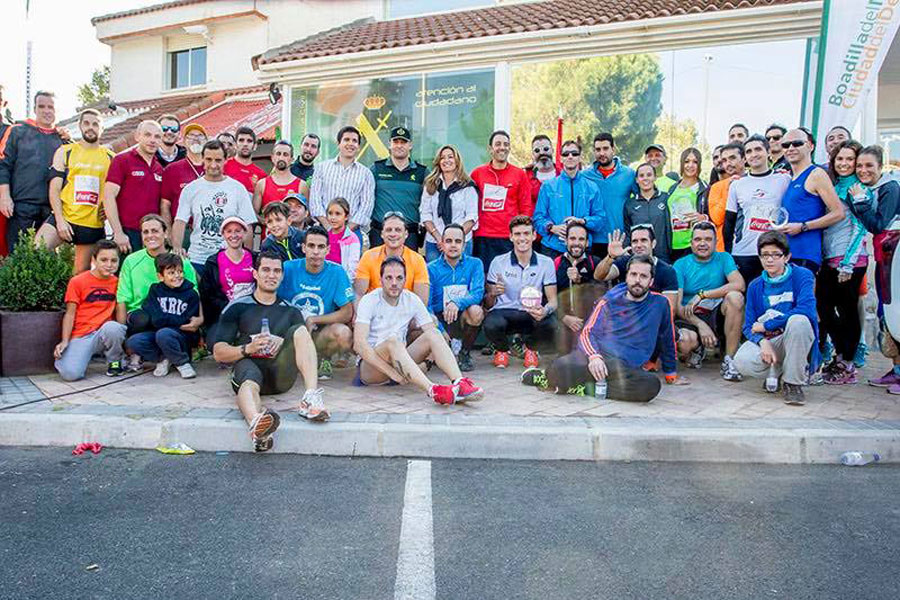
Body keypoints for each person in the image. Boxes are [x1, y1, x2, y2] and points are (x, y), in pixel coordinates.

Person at [213, 251, 329, 452]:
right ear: (255, 273)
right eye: (266, 270)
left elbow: (302, 345)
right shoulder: (238, 306)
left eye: (277, 271)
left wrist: (282, 340)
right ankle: (257, 425)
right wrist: (247, 348)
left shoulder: (291, 311)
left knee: (300, 331)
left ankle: (310, 398)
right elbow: (218, 352)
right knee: (248, 381)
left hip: (280, 374)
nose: (271, 275)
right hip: (249, 367)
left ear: (282, 275)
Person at [532, 255, 684, 401]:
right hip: (597, 359)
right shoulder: (609, 301)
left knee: (651, 385)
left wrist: (671, 373)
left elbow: (667, 337)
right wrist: (594, 356)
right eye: (633, 274)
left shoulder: (660, 303)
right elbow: (588, 332)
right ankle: (546, 377)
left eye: (643, 276)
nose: (637, 280)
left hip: (625, 369)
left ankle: (584, 387)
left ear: (651, 281)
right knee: (560, 367)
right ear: (627, 276)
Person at [354, 256, 484, 405]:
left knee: (433, 333)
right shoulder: (369, 300)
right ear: (381, 279)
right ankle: (433, 390)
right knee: (393, 341)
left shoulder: (412, 299)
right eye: (389, 278)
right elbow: (359, 345)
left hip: (400, 361)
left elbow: (431, 332)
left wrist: (429, 360)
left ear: (405, 279)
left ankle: (459, 382)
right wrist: (392, 374)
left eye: (399, 278)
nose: (394, 283)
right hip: (372, 369)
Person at [734, 231, 818, 405]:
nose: (769, 260)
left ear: (787, 257)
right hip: (772, 341)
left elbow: (807, 309)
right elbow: (748, 325)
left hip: (797, 338)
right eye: (765, 255)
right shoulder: (755, 285)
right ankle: (778, 369)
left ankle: (793, 383)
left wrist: (767, 326)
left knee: (799, 321)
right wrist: (762, 341)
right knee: (741, 361)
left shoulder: (802, 275)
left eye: (775, 255)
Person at [847, 145, 900, 393]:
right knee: (886, 313)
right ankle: (897, 369)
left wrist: (860, 205)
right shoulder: (870, 190)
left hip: (895, 259)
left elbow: (879, 225)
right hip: (883, 258)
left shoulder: (890, 188)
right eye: (859, 166)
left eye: (869, 165)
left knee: (894, 312)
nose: (863, 170)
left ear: (880, 166)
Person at [35, 108, 113, 273]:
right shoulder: (65, 152)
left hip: (91, 224)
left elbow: (117, 193)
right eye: (86, 123)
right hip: (64, 217)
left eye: (95, 124)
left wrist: (108, 210)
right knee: (36, 250)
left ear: (102, 128)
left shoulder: (111, 157)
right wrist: (60, 220)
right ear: (80, 125)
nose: (90, 127)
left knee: (79, 275)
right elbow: (55, 189)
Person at [116, 215, 198, 366]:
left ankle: (168, 354)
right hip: (142, 319)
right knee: (142, 320)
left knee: (168, 329)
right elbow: (122, 298)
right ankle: (159, 355)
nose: (150, 236)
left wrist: (200, 320)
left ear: (165, 233)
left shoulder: (180, 261)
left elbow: (194, 294)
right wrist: (123, 339)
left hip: (173, 317)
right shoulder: (131, 261)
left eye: (155, 231)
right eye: (145, 232)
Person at [818, 140, 868, 385]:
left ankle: (847, 364)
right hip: (829, 260)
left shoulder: (858, 189)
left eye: (850, 159)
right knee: (824, 309)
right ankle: (841, 356)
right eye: (840, 159)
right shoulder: (832, 185)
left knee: (848, 314)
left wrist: (848, 264)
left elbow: (860, 228)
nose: (844, 163)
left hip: (851, 261)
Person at [278, 225, 355, 379]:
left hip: (320, 332)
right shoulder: (287, 268)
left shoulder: (337, 272)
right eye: (311, 246)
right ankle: (292, 359)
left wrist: (313, 319)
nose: (316, 251)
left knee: (344, 334)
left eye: (321, 247)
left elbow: (347, 312)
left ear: (327, 249)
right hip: (290, 331)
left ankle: (322, 358)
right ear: (304, 248)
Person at [173, 140, 257, 277]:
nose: (213, 165)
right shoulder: (191, 189)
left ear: (225, 160)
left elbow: (248, 225)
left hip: (227, 259)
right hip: (197, 259)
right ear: (202, 160)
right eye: (209, 159)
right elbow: (180, 221)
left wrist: (246, 257)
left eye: (218, 160)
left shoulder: (237, 188)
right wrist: (177, 248)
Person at [673, 221, 746, 380]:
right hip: (690, 316)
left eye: (708, 239)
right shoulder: (680, 264)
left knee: (735, 297)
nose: (703, 243)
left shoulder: (724, 258)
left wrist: (703, 294)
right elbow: (677, 307)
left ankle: (730, 360)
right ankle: (697, 349)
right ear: (691, 242)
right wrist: (701, 325)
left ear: (715, 242)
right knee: (684, 342)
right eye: (698, 239)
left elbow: (739, 284)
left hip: (716, 313)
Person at [483, 215, 558, 369]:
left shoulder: (546, 262)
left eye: (526, 233)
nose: (522, 238)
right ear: (511, 237)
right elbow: (488, 303)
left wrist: (545, 310)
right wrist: (493, 293)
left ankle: (531, 349)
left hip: (531, 313)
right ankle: (502, 349)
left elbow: (553, 301)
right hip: (504, 312)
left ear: (534, 235)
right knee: (491, 324)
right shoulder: (498, 262)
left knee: (551, 323)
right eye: (517, 234)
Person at [54, 240, 127, 381]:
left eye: (114, 260)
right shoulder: (77, 281)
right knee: (71, 374)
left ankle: (115, 360)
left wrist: (122, 336)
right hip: (82, 335)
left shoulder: (118, 282)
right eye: (104, 260)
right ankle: (70, 358)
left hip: (104, 332)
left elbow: (120, 311)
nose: (109, 265)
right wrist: (64, 340)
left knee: (114, 328)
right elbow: (70, 314)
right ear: (94, 260)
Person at [0, 91, 65, 251]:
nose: (46, 110)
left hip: (51, 211)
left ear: (57, 110)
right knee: (17, 258)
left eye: (51, 107)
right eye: (41, 106)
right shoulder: (17, 131)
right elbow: (3, 165)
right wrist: (4, 196)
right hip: (21, 206)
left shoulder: (64, 140)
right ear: (35, 109)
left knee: (45, 258)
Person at [724, 134, 791, 284]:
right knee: (746, 299)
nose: (753, 154)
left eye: (758, 149)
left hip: (774, 253)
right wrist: (728, 255)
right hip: (744, 252)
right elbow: (729, 223)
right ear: (745, 158)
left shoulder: (784, 180)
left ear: (768, 152)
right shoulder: (737, 184)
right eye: (748, 151)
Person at [125, 253, 203, 379]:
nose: (177, 276)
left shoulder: (191, 294)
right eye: (171, 273)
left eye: (180, 271)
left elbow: (188, 322)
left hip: (180, 338)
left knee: (164, 333)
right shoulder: (155, 290)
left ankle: (182, 363)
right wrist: (171, 321)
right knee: (134, 341)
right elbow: (154, 318)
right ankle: (163, 358)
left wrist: (163, 320)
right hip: (159, 334)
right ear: (160, 276)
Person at [779, 128, 845, 271]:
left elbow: (838, 213)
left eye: (797, 143)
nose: (791, 148)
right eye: (786, 145)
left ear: (810, 146)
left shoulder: (816, 174)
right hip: (787, 254)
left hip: (805, 255)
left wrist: (803, 226)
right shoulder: (790, 178)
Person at [470, 130, 532, 273]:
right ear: (490, 149)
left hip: (508, 237)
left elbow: (526, 206)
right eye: (498, 144)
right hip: (483, 237)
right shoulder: (477, 173)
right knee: (486, 282)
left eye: (506, 144)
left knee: (510, 279)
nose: (502, 147)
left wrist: (521, 233)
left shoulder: (519, 174)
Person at [533, 139, 606, 258]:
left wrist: (583, 221)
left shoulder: (592, 187)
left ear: (580, 157)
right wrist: (551, 227)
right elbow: (537, 218)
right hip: (553, 248)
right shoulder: (548, 186)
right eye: (566, 154)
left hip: (581, 247)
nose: (570, 156)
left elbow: (601, 219)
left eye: (574, 153)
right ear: (561, 158)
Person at [427, 224, 485, 372]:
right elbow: (427, 303)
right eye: (449, 241)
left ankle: (464, 353)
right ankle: (441, 348)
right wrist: (439, 329)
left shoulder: (475, 264)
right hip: (440, 319)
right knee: (429, 317)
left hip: (462, 316)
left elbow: (478, 293)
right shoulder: (430, 268)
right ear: (442, 243)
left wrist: (457, 303)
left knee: (477, 311)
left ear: (464, 245)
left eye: (458, 241)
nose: (453, 245)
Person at [104, 120, 164, 253]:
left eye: (157, 136)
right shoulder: (122, 160)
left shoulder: (159, 168)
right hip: (127, 235)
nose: (152, 140)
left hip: (152, 236)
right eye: (148, 135)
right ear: (137, 136)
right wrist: (118, 232)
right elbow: (108, 197)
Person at [309, 126, 375, 242]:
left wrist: (346, 231)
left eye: (354, 141)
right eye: (346, 140)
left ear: (358, 147)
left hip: (352, 233)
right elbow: (315, 201)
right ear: (338, 143)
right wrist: (329, 228)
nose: (350, 143)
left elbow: (366, 206)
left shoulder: (366, 174)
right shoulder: (322, 168)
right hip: (324, 231)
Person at [596, 225, 679, 316]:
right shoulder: (625, 262)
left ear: (653, 243)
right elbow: (599, 276)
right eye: (635, 241)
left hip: (652, 321)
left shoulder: (667, 271)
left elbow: (670, 310)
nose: (639, 245)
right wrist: (610, 257)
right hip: (623, 317)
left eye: (643, 240)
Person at [369, 126, 427, 250]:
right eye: (395, 142)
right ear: (389, 144)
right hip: (380, 233)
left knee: (408, 269)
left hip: (409, 235)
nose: (399, 145)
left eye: (403, 142)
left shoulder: (422, 172)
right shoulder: (376, 169)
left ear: (410, 145)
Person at [199, 217, 255, 344]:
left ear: (245, 233)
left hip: (252, 313)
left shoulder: (255, 258)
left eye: (238, 231)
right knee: (214, 343)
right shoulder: (213, 262)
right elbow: (207, 294)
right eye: (229, 231)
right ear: (223, 234)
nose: (233, 235)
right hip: (224, 313)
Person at [354, 211, 429, 305]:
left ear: (406, 234)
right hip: (375, 312)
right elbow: (358, 294)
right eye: (389, 230)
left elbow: (421, 301)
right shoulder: (368, 256)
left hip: (406, 312)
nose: (393, 234)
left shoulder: (417, 260)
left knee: (431, 319)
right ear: (382, 234)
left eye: (398, 230)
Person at [419, 145, 478, 262]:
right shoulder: (431, 184)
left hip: (462, 243)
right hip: (435, 242)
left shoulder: (467, 186)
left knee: (460, 278)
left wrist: (454, 239)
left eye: (450, 157)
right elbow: (425, 214)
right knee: (435, 278)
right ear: (438, 162)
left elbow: (471, 217)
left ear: (457, 161)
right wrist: (440, 239)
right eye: (442, 158)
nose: (446, 160)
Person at [552, 221, 605, 353]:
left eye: (581, 239)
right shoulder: (555, 263)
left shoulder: (595, 262)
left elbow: (601, 295)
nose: (576, 243)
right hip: (563, 321)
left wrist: (580, 280)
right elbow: (548, 298)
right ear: (565, 241)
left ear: (587, 242)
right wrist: (564, 317)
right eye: (572, 238)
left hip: (588, 321)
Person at [582, 132, 636, 257]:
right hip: (593, 240)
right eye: (598, 149)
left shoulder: (629, 174)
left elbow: (642, 198)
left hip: (619, 239)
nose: (602, 153)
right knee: (596, 276)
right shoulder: (585, 176)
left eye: (605, 148)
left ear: (613, 149)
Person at [160, 123, 206, 232]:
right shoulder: (172, 169)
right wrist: (169, 231)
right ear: (184, 141)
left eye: (200, 136)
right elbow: (165, 204)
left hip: (209, 228)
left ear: (206, 141)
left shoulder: (214, 167)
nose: (196, 139)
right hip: (184, 229)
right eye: (191, 136)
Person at [623, 163, 672, 263]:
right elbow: (628, 231)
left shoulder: (666, 198)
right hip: (639, 257)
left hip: (664, 256)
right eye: (641, 176)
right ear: (637, 180)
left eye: (649, 175)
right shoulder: (630, 204)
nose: (645, 178)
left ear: (655, 177)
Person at [666, 148, 708, 262]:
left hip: (693, 246)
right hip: (672, 246)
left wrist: (704, 218)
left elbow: (712, 215)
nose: (691, 165)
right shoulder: (672, 188)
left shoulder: (704, 188)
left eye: (695, 162)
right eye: (687, 161)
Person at [706, 142, 745, 252]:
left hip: (752, 246)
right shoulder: (717, 187)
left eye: (732, 158)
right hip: (724, 249)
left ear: (744, 159)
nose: (728, 163)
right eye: (724, 160)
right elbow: (716, 218)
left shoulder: (754, 182)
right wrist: (729, 187)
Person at [253, 140, 304, 221]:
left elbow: (307, 215)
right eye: (278, 154)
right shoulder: (262, 184)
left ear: (291, 159)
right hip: (267, 233)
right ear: (272, 158)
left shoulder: (302, 185)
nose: (281, 158)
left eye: (285, 155)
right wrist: (269, 223)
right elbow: (253, 214)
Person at [325, 197, 361, 282]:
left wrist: (344, 281)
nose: (333, 217)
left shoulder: (352, 238)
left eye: (338, 214)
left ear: (346, 216)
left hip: (342, 280)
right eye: (330, 213)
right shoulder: (324, 236)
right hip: (324, 279)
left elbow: (353, 266)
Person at [223, 127, 267, 194]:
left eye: (249, 141)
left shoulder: (261, 175)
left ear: (255, 146)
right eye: (241, 140)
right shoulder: (223, 167)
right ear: (235, 144)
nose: (245, 144)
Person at [525, 134, 560, 207]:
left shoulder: (563, 174)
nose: (542, 153)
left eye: (546, 149)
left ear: (552, 150)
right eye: (537, 150)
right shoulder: (525, 177)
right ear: (533, 154)